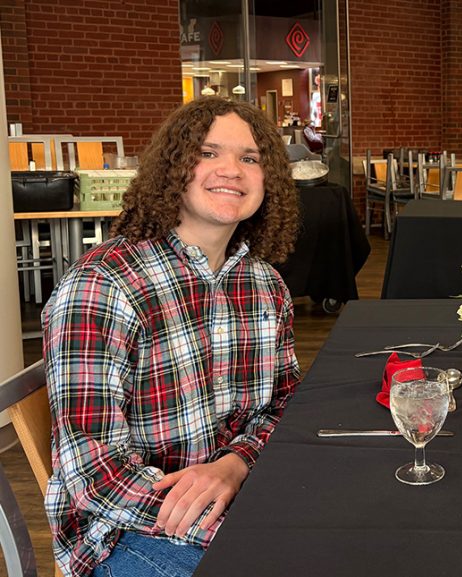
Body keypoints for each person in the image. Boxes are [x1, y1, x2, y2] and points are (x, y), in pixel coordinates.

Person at [42, 96, 302, 577]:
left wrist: (236, 464)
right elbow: (93, 473)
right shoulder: (104, 285)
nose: (232, 170)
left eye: (250, 158)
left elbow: (283, 406)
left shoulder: (265, 285)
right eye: (208, 152)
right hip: (125, 530)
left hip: (240, 494)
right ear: (172, 168)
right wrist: (230, 522)